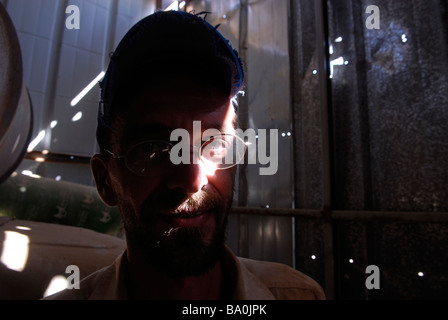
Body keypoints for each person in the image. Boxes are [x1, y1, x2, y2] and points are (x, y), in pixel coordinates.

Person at [45, 10, 325, 300]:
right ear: (105, 181)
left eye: (213, 143)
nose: (192, 179)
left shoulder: (299, 295)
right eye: (152, 148)